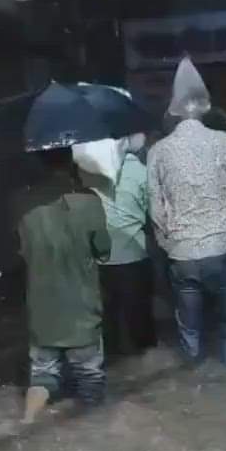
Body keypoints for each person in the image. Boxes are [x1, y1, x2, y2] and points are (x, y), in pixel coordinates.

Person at [148, 58, 226, 369]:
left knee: (190, 331)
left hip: (181, 256)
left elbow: (156, 211)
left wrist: (170, 244)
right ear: (204, 106)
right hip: (222, 250)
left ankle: (192, 388)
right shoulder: (223, 142)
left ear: (173, 109)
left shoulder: (157, 152)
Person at [14, 148, 112, 423]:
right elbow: (103, 250)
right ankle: (94, 436)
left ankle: (27, 423)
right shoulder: (89, 202)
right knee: (90, 379)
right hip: (82, 308)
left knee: (42, 374)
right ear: (71, 163)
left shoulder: (23, 204)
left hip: (42, 308)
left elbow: (20, 251)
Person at [75, 134, 157, 358]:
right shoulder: (140, 171)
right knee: (140, 324)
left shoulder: (87, 171)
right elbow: (154, 213)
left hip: (97, 259)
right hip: (134, 256)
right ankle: (147, 373)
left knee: (106, 324)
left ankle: (117, 375)